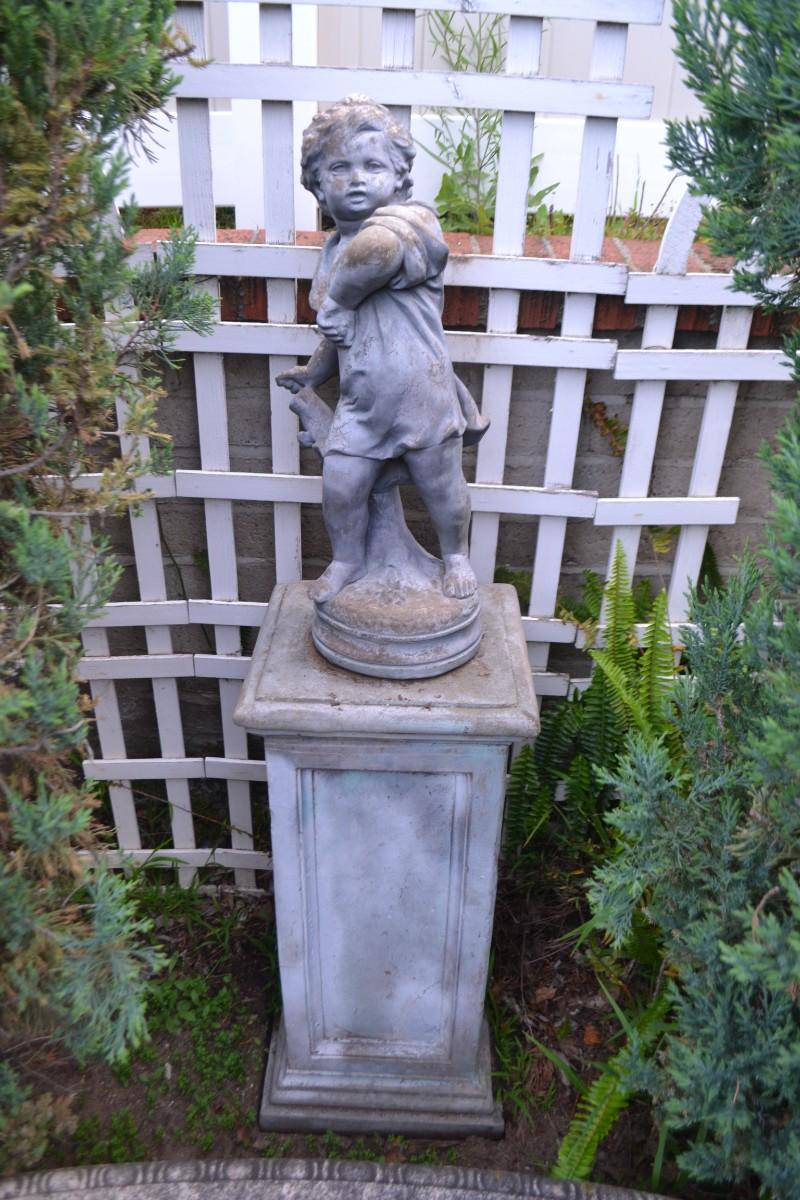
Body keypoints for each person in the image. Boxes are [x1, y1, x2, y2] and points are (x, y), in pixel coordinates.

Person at [277, 96, 487, 603]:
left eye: (373, 166)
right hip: (362, 402)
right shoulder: (332, 249)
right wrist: (315, 373)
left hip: (422, 395)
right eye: (339, 168)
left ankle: (456, 555)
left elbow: (376, 253)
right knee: (340, 484)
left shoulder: (412, 225)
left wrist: (339, 301)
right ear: (318, 186)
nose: (357, 179)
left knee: (442, 486)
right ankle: (347, 559)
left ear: (399, 180)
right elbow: (339, 333)